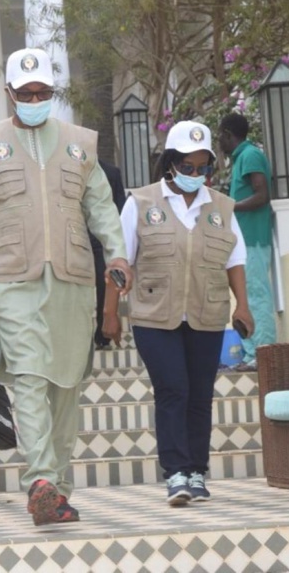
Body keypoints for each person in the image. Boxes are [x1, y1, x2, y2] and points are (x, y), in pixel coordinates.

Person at [0, 47, 132, 526]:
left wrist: (116, 252)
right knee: (31, 378)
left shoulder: (79, 142)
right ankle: (40, 479)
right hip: (13, 279)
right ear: (9, 93)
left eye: (43, 93)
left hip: (74, 280)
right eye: (27, 93)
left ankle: (58, 489)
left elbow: (101, 205)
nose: (36, 99)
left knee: (66, 385)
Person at [104, 120, 254, 506]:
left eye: (203, 168)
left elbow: (235, 260)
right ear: (170, 163)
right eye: (187, 167)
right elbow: (119, 261)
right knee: (174, 389)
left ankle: (197, 471)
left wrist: (244, 306)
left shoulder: (220, 205)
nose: (195, 175)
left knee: (200, 394)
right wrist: (110, 314)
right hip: (155, 315)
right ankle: (176, 473)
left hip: (207, 312)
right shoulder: (140, 203)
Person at [218, 113, 276, 371]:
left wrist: (229, 207)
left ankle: (263, 355)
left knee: (256, 296)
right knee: (248, 297)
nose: (219, 140)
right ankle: (252, 352)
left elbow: (261, 195)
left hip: (254, 239)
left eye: (220, 135)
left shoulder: (250, 155)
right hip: (244, 242)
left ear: (228, 134)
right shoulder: (242, 157)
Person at [91, 159, 126, 350]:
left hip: (101, 242)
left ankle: (102, 336)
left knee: (104, 286)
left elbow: (120, 206)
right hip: (74, 240)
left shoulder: (111, 172)